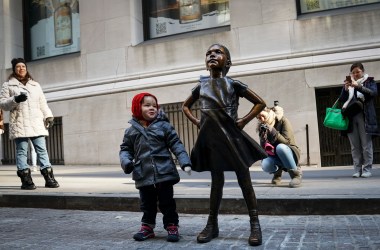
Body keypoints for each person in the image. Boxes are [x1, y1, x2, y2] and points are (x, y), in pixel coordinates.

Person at [182, 44, 267, 246]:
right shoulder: (201, 86)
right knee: (216, 183)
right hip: (212, 140)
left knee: (244, 181)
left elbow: (260, 103)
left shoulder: (233, 84)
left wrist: (243, 121)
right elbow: (185, 106)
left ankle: (255, 224)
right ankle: (212, 223)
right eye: (208, 53)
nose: (212, 54)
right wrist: (197, 122)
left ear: (227, 62)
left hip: (232, 137)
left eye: (218, 52)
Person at [119, 92, 192, 243]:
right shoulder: (131, 131)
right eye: (147, 105)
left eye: (154, 105)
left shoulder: (164, 126)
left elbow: (176, 144)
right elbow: (125, 149)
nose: (152, 108)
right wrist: (126, 162)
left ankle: (172, 226)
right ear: (137, 108)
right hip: (143, 173)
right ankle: (147, 227)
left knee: (167, 202)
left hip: (164, 171)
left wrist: (185, 162)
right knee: (147, 203)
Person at [0, 58, 58, 190]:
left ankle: (49, 178)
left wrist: (48, 116)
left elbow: (42, 102)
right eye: (18, 67)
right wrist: (15, 99)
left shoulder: (35, 85)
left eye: (23, 66)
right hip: (20, 122)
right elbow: (3, 104)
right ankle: (26, 180)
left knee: (42, 151)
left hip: (36, 122)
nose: (21, 69)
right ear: (14, 69)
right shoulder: (8, 85)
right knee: (21, 152)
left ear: (26, 69)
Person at [339, 62, 378, 178]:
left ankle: (367, 169)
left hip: (364, 116)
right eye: (353, 72)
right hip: (351, 117)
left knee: (366, 145)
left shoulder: (369, 81)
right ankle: (357, 169)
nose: (355, 74)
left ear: (363, 71)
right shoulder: (349, 84)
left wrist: (359, 86)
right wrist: (346, 89)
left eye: (358, 72)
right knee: (354, 146)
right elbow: (342, 99)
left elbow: (373, 93)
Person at [256, 103, 302, 188]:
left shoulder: (283, 121)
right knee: (265, 164)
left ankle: (295, 175)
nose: (261, 119)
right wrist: (263, 138)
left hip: (288, 152)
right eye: (258, 117)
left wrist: (272, 130)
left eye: (262, 115)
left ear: (268, 112)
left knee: (280, 148)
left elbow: (287, 142)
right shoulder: (262, 127)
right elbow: (263, 148)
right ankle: (277, 174)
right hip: (274, 154)